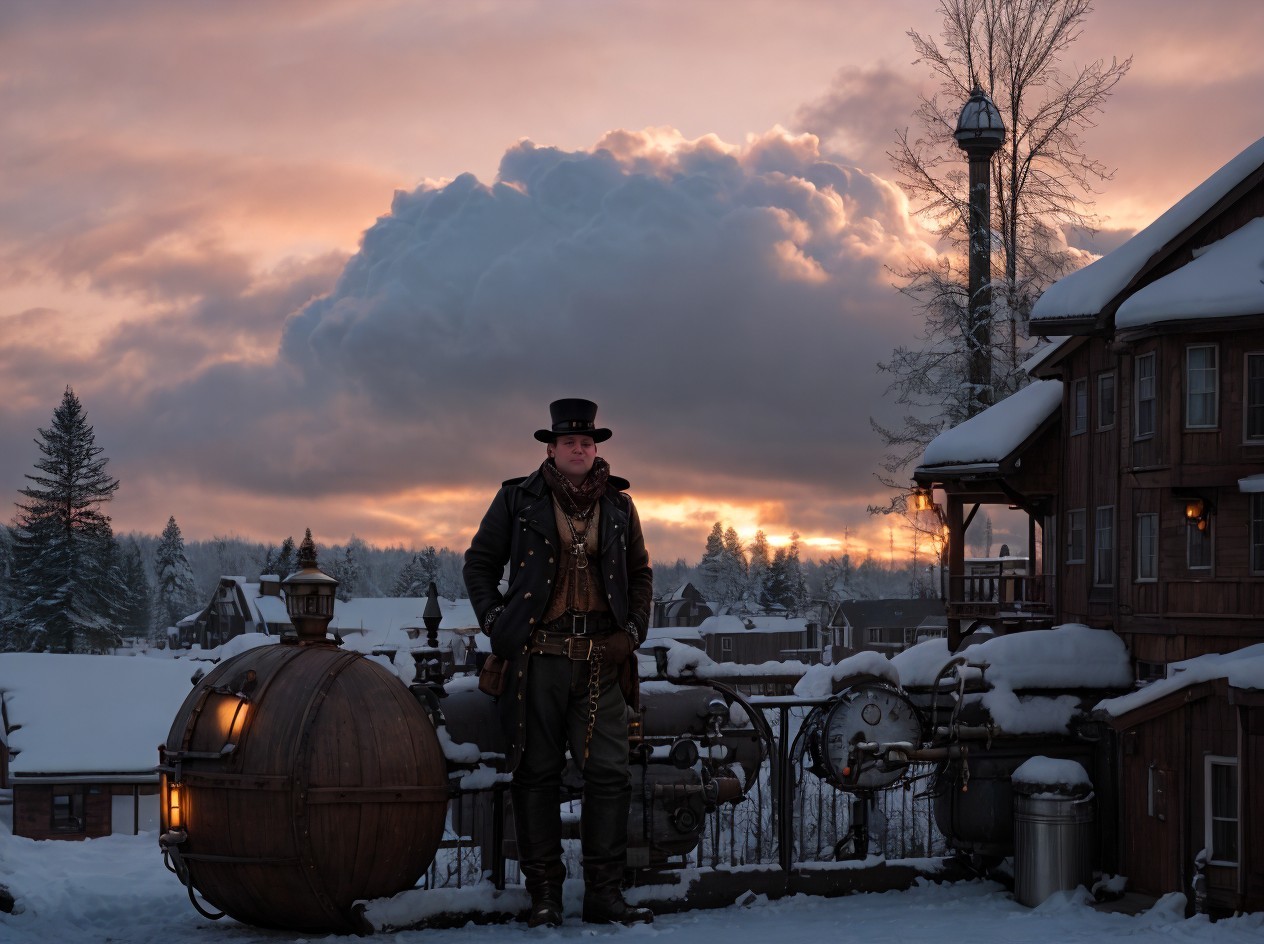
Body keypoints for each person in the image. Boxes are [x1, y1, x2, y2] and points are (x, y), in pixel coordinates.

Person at [463, 398, 653, 927]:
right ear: (551, 448)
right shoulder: (516, 499)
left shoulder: (619, 507)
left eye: (586, 442)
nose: (579, 448)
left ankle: (604, 896)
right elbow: (479, 564)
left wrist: (632, 634)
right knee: (536, 775)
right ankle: (543, 895)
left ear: (596, 449)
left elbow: (640, 575)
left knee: (610, 777)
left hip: (602, 659)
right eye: (569, 441)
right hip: (536, 657)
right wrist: (496, 621)